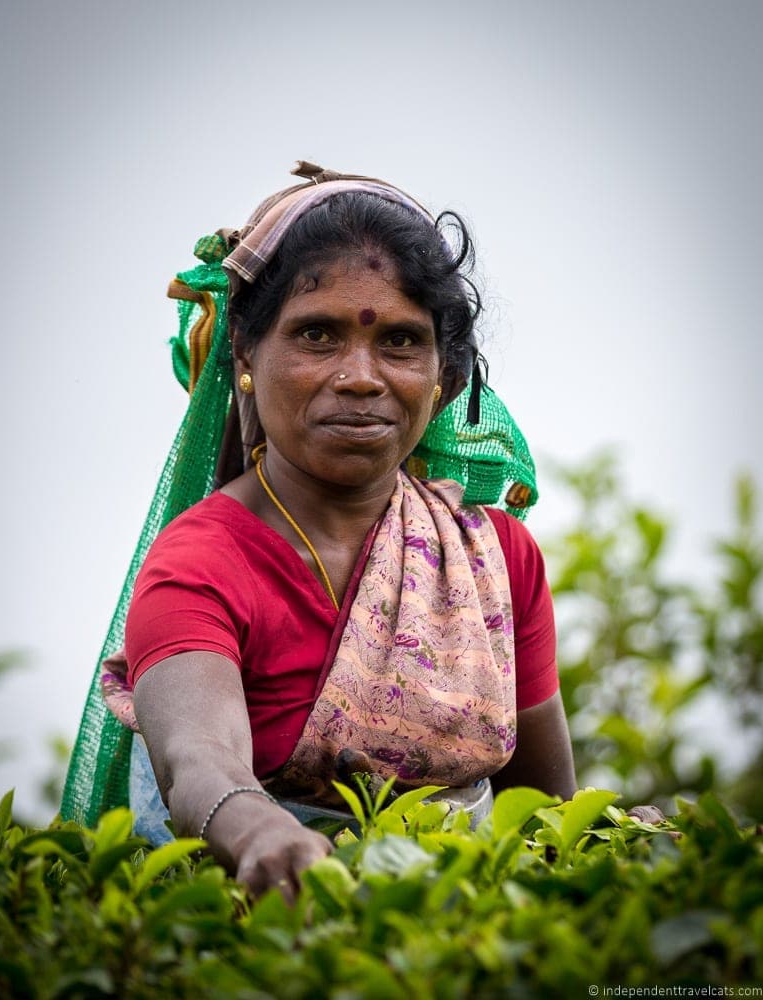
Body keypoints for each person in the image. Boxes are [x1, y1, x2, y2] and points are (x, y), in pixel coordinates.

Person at [68, 161, 576, 901]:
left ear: (442, 375)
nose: (362, 375)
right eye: (317, 334)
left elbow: (550, 819)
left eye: (401, 342)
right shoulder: (203, 561)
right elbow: (197, 760)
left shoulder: (494, 558)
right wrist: (258, 831)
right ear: (245, 354)